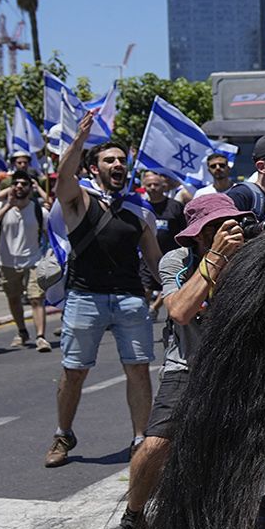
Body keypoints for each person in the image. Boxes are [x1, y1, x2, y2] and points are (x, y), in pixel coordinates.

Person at [105, 193, 251, 529]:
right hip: (187, 367)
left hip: (236, 371)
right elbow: (181, 310)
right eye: (216, 227)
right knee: (154, 447)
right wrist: (215, 259)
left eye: (229, 224)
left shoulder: (249, 258)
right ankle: (134, 520)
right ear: (198, 235)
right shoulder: (178, 260)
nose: (226, 232)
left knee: (236, 455)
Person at [47, 116, 161, 468]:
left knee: (138, 369)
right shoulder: (78, 200)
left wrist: (179, 292)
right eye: (109, 160)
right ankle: (63, 434)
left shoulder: (139, 209)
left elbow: (155, 260)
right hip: (84, 297)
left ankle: (140, 438)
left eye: (121, 161)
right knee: (74, 370)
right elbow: (63, 178)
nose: (117, 165)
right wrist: (79, 139)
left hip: (129, 298)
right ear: (93, 169)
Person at [0, 171, 51, 350]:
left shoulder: (39, 211)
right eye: (16, 183)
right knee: (14, 298)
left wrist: (50, 258)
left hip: (34, 260)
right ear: (11, 187)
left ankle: (41, 336)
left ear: (30, 188)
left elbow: (50, 235)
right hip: (7, 261)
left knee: (36, 298)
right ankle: (22, 331)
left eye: (24, 184)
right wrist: (7, 206)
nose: (20, 186)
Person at [139, 170, 188, 248]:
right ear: (144, 188)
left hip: (171, 254)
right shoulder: (141, 208)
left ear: (164, 187)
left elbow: (185, 229)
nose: (153, 187)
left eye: (156, 184)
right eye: (149, 185)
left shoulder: (176, 206)